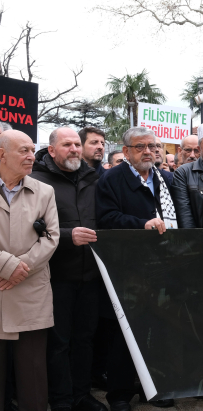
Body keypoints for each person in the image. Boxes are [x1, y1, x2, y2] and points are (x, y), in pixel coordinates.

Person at [95, 127, 177, 411]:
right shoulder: (111, 179)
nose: (148, 151)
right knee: (125, 334)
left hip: (164, 265)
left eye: (152, 146)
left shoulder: (166, 178)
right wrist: (141, 224)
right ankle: (119, 394)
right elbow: (106, 219)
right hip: (128, 267)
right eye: (140, 147)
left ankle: (154, 388)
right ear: (126, 151)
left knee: (160, 329)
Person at [30, 128, 106, 411]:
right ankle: (61, 399)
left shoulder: (94, 178)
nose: (74, 149)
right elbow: (28, 228)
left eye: (76, 144)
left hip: (91, 276)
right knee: (58, 342)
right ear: (51, 150)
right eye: (67, 145)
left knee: (84, 340)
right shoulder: (36, 180)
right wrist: (66, 236)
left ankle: (82, 395)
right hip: (55, 276)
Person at [0, 130, 59, 411]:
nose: (31, 156)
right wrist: (7, 265)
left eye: (33, 150)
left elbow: (51, 238)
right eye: (24, 150)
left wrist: (20, 268)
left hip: (31, 291)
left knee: (33, 374)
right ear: (2, 154)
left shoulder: (44, 191)